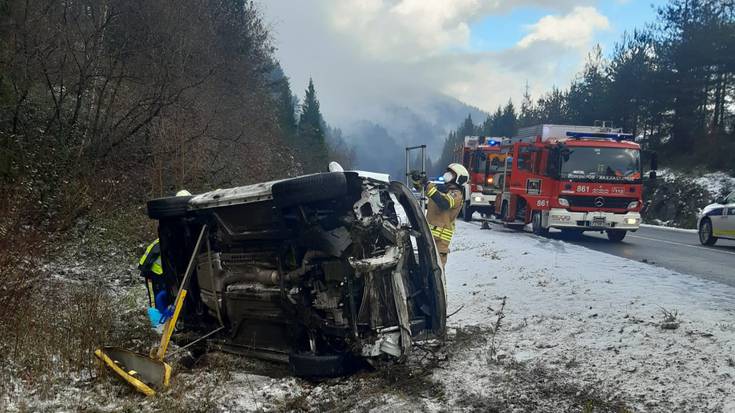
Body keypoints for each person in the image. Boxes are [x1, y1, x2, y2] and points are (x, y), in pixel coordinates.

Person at [412, 163, 469, 267]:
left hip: (440, 242)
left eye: (451, 174)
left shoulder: (456, 195)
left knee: (436, 273)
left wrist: (427, 184)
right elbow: (421, 189)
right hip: (429, 237)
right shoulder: (441, 190)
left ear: (459, 178)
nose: (447, 175)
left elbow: (444, 203)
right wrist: (417, 181)